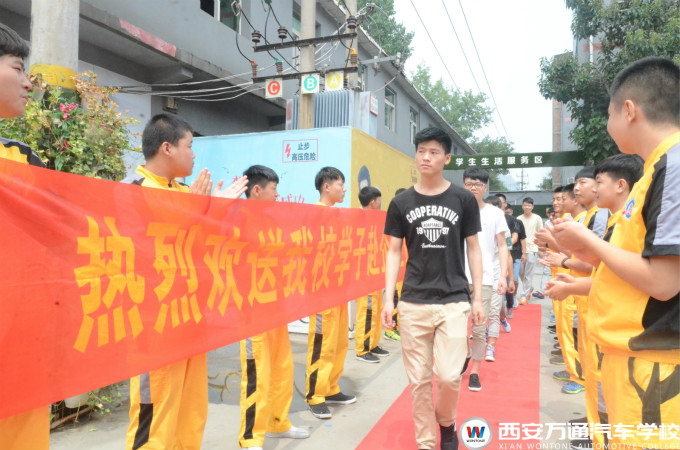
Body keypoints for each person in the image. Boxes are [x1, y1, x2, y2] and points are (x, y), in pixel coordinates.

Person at [551, 57, 679, 449]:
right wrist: (581, 250)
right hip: (635, 356)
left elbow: (664, 282)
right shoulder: (655, 171)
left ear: (629, 110)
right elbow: (628, 263)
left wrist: (588, 243)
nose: (608, 125)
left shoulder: (672, 167)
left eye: (608, 114)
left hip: (652, 363)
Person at [122, 113, 247, 450]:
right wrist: (196, 208)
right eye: (189, 146)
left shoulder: (183, 191)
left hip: (190, 317)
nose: (193, 155)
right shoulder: (132, 189)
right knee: (155, 415)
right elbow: (143, 250)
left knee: (190, 413)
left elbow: (198, 243)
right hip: (155, 324)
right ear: (167, 148)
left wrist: (215, 210)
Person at [382, 127, 484, 450]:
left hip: (453, 300)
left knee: (449, 377)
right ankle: (426, 442)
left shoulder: (463, 199)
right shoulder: (400, 203)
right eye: (421, 151)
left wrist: (478, 297)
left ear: (447, 158)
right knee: (419, 381)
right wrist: (389, 298)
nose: (426, 157)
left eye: (434, 152)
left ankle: (447, 422)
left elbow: (473, 249)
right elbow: (393, 252)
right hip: (413, 301)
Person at [545, 153, 643, 449]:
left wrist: (564, 258)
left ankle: (601, 433)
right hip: (601, 310)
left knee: (605, 381)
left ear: (621, 185)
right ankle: (597, 429)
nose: (582, 189)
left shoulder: (623, 221)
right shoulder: (612, 219)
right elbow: (605, 273)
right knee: (597, 376)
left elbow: (605, 269)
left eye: (595, 182)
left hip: (618, 322)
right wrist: (574, 283)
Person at [0, 23, 50, 450]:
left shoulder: (22, 158)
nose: (28, 82)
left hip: (21, 344)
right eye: (18, 68)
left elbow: (74, 226)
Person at [237, 165, 310, 450]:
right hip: (253, 312)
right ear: (257, 190)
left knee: (282, 369)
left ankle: (278, 423)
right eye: (274, 189)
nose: (278, 195)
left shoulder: (271, 221)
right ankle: (250, 438)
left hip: (276, 309)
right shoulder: (237, 220)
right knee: (257, 374)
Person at [305, 166, 356, 419]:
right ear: (326, 187)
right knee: (322, 344)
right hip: (322, 291)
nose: (344, 189)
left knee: (339, 342)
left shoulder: (338, 215)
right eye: (340, 184)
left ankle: (331, 387)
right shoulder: (315, 215)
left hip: (339, 290)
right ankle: (315, 395)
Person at [462, 169, 508, 391]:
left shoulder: (495, 213)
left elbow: (502, 245)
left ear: (485, 187)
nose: (473, 188)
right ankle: (464, 354)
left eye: (478, 184)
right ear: (463, 185)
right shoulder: (456, 209)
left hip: (485, 278)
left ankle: (475, 371)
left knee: (479, 328)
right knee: (455, 326)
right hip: (457, 278)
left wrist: (503, 275)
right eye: (469, 183)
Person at [354, 186, 390, 363]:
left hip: (375, 273)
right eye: (378, 200)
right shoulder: (357, 219)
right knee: (367, 311)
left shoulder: (376, 219)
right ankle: (362, 349)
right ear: (372, 202)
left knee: (376, 310)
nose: (380, 203)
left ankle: (373, 343)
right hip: (364, 275)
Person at [516, 197, 543, 305]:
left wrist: (540, 248)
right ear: (522, 206)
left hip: (532, 249)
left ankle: (524, 296)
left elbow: (540, 233)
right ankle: (529, 287)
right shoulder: (518, 218)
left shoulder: (537, 218)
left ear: (532, 207)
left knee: (528, 274)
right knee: (520, 272)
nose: (527, 207)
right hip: (520, 249)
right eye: (525, 205)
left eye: (529, 205)